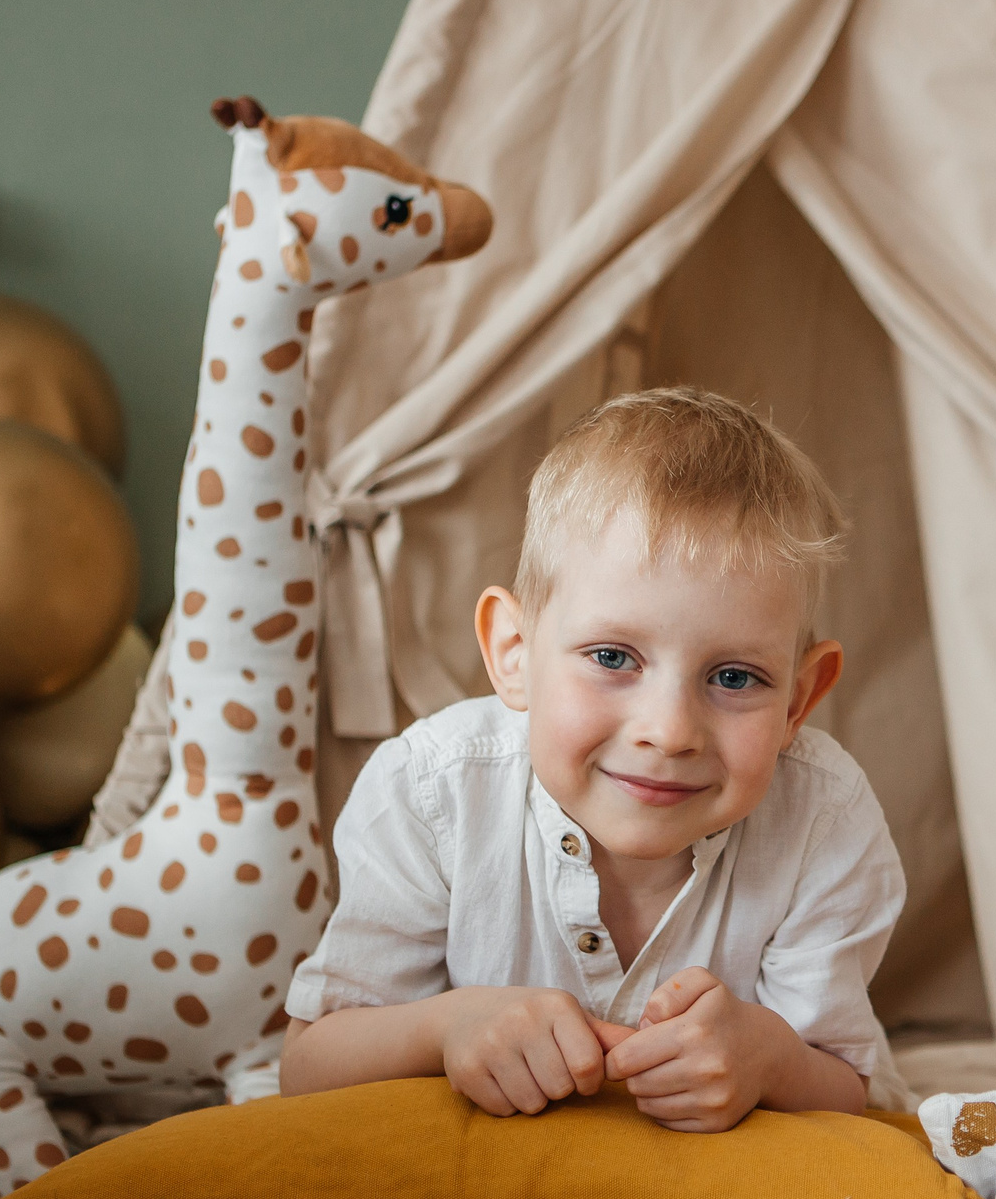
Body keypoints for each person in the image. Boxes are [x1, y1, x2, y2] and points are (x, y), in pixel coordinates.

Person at [278, 388, 903, 1128]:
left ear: (799, 700)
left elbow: (850, 1091)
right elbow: (306, 1066)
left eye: (735, 677)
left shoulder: (824, 819)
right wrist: (448, 1026)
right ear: (513, 654)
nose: (670, 731)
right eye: (613, 656)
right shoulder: (431, 791)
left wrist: (771, 1057)